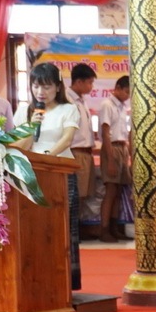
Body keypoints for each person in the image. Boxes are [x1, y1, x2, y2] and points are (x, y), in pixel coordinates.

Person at [10, 62, 82, 290]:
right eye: (36, 86)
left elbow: (67, 140)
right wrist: (31, 127)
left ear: (58, 87)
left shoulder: (68, 109)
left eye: (46, 87)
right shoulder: (25, 111)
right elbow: (18, 146)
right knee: (34, 225)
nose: (40, 92)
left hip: (59, 171)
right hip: (30, 173)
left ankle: (65, 282)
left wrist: (49, 157)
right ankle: (36, 279)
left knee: (63, 226)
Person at [97, 76, 131, 243]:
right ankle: (104, 230)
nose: (127, 96)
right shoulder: (107, 104)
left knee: (118, 191)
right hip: (111, 148)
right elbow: (105, 133)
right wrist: (110, 160)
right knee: (110, 190)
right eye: (126, 92)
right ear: (117, 87)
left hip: (122, 148)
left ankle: (114, 228)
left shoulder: (123, 107)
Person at [67, 63, 98, 227]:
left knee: (82, 195)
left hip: (85, 153)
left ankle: (75, 229)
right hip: (74, 152)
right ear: (78, 82)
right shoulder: (67, 100)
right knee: (73, 195)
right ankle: (69, 230)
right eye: (89, 82)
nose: (91, 86)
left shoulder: (82, 101)